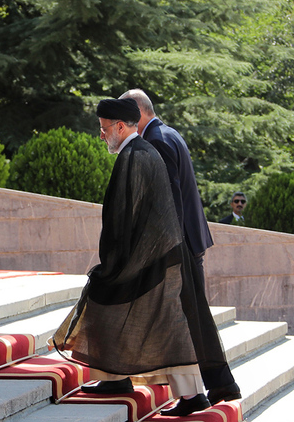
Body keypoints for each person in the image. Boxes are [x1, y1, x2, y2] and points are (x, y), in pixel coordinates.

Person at [53, 98, 231, 417]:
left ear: (121, 127)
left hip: (150, 257)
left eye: (104, 129)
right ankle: (115, 378)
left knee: (163, 324)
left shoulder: (135, 157)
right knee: (130, 311)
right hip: (155, 254)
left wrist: (114, 261)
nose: (103, 135)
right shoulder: (140, 152)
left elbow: (124, 216)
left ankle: (191, 397)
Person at [119, 89, 241, 406]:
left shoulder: (157, 140)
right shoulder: (168, 133)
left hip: (177, 247)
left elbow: (168, 200)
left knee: (188, 318)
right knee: (191, 317)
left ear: (137, 113)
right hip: (186, 242)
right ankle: (215, 387)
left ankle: (208, 389)